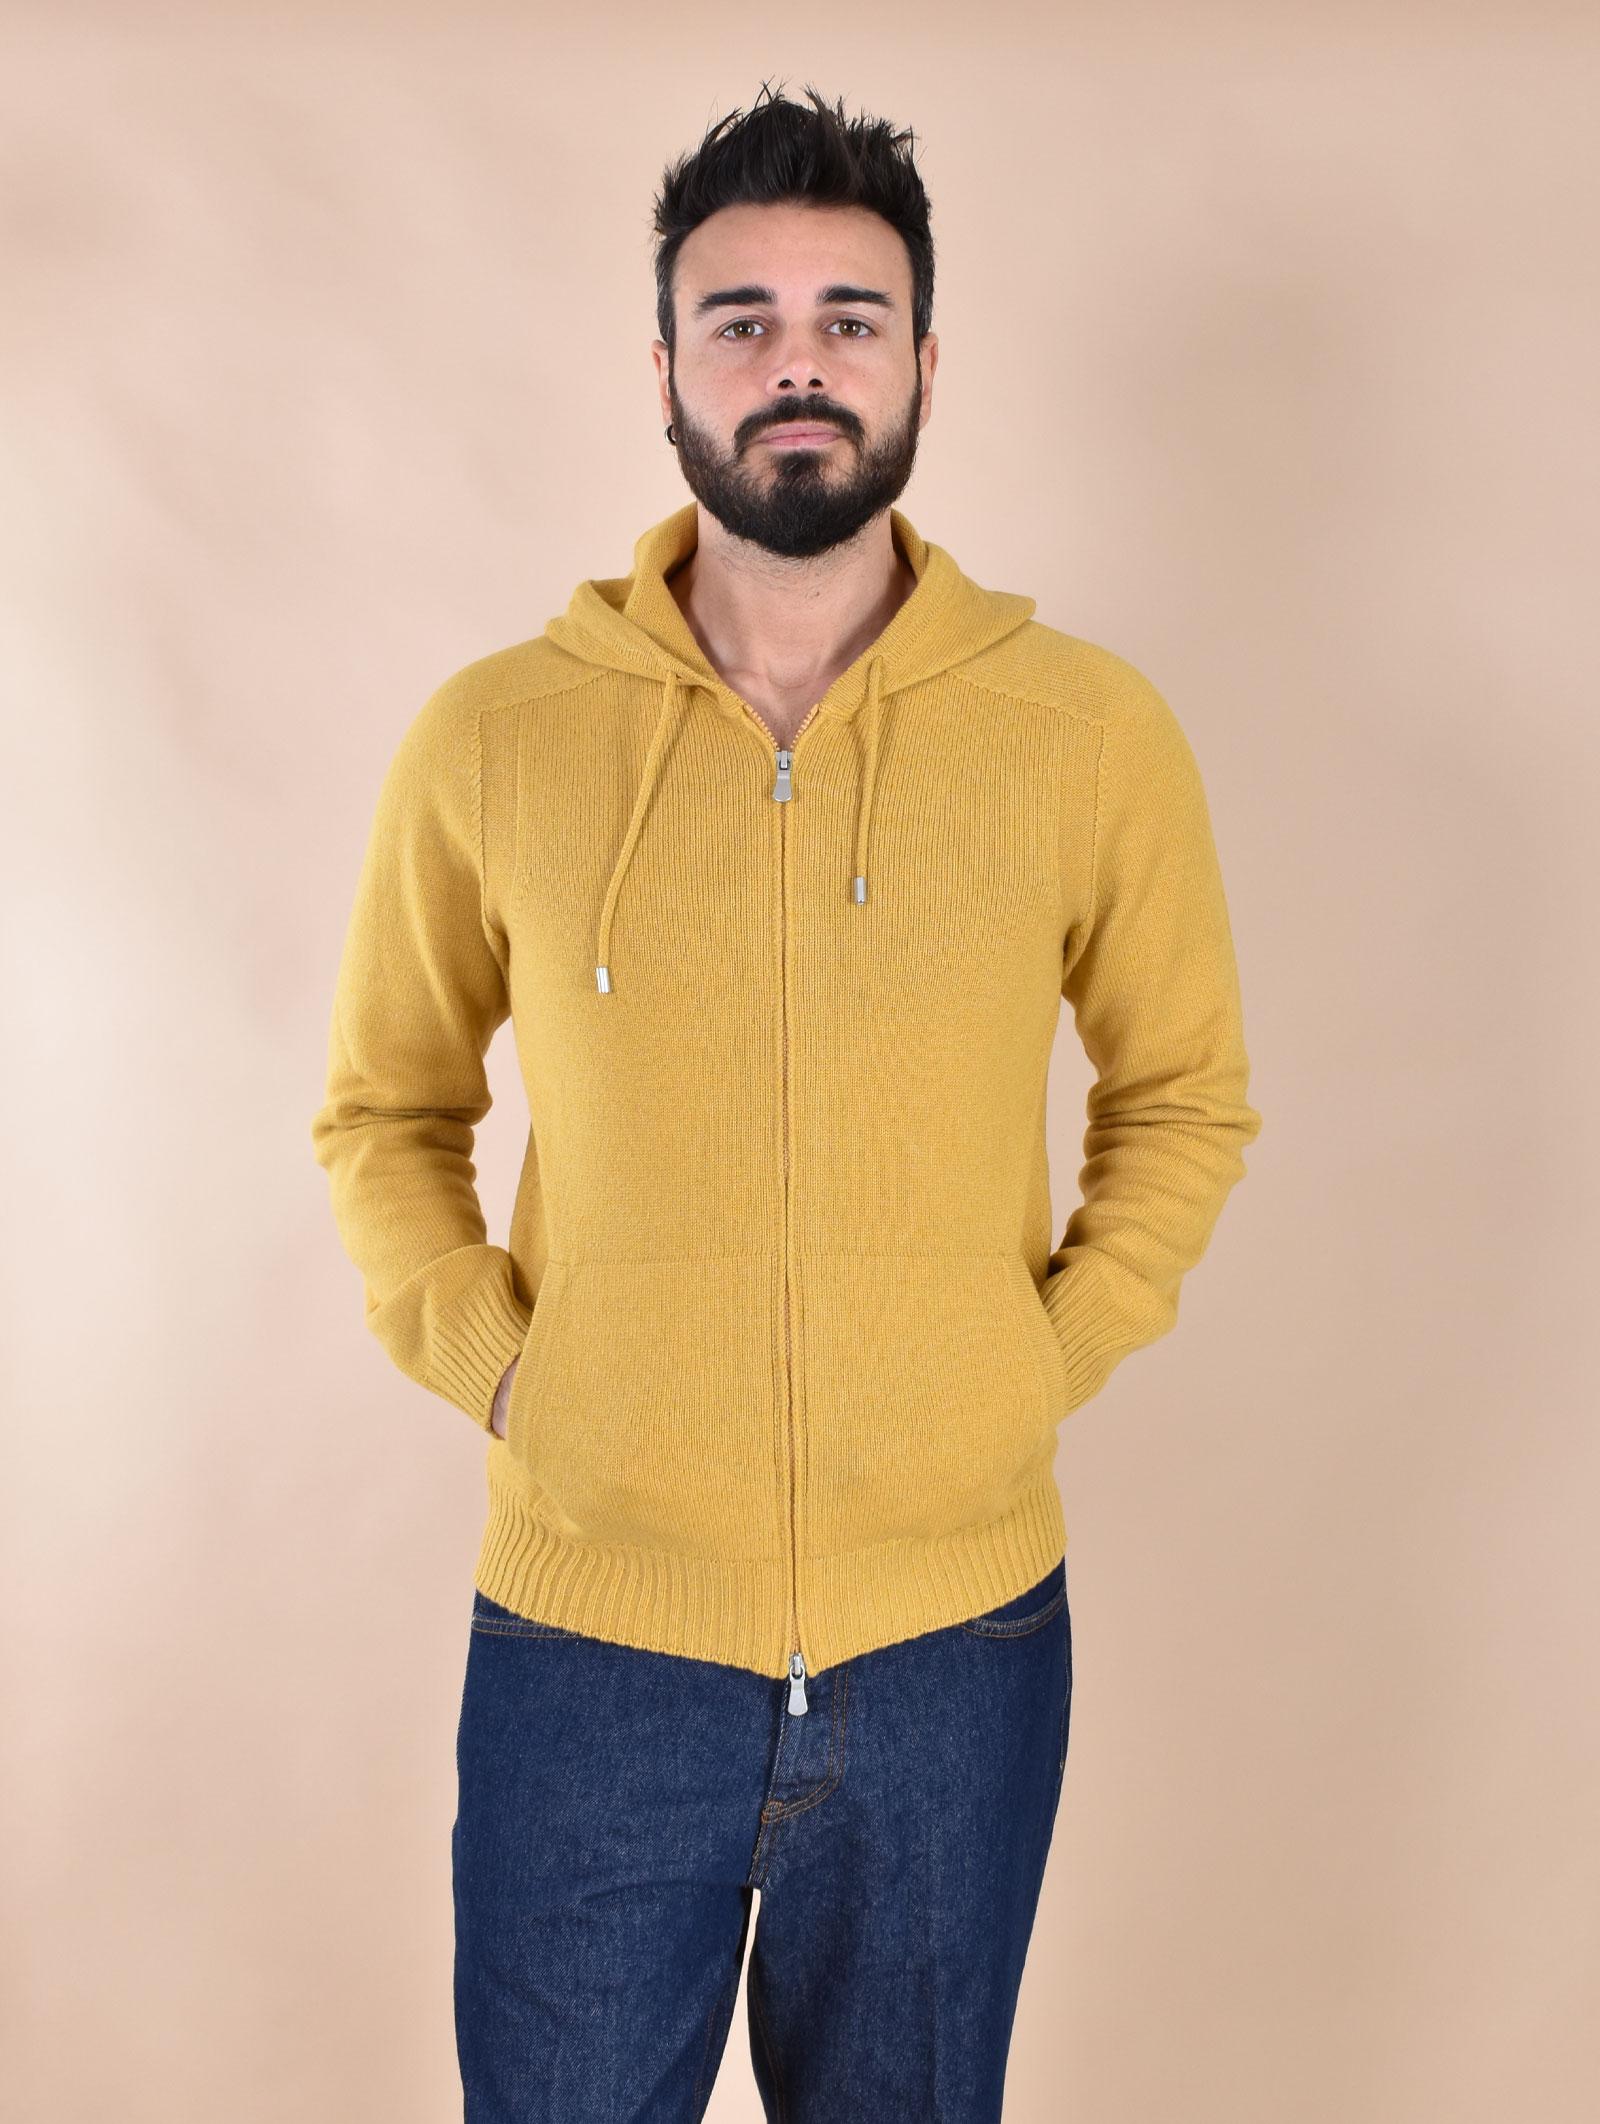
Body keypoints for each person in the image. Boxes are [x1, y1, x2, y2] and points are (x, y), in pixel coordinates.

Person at [310, 81, 1262, 2124]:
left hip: (957, 1646)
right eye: (738, 320)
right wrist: (504, 1371)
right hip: (589, 1640)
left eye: (849, 316)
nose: (796, 362)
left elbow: (1183, 1095)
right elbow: (384, 1112)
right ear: (662, 368)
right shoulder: (496, 738)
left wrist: (1030, 1360)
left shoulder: (1083, 733)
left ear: (924, 361)